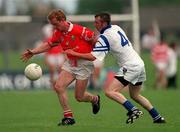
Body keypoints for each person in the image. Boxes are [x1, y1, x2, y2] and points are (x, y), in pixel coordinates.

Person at [64, 12, 166, 124]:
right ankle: (157, 117)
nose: (95, 24)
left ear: (103, 23)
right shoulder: (116, 28)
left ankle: (133, 110)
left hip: (130, 65)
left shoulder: (104, 37)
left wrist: (73, 53)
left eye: (97, 22)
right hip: (139, 63)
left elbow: (93, 57)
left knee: (109, 91)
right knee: (135, 95)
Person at [21, 9, 100, 126]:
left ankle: (95, 99)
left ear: (63, 20)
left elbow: (96, 41)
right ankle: (68, 117)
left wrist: (94, 52)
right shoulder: (58, 32)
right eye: (53, 25)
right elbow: (49, 44)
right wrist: (33, 52)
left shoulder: (80, 30)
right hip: (71, 63)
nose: (55, 27)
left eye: (56, 24)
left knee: (79, 96)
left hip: (84, 64)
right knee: (58, 86)